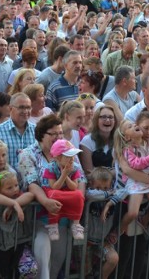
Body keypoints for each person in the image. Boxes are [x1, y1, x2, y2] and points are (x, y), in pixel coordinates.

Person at [18, 114, 85, 279]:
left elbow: (81, 179)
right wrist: (46, 201)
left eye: (61, 133)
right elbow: (31, 183)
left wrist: (78, 202)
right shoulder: (28, 154)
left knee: (56, 264)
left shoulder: (69, 151)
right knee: (43, 267)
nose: (58, 137)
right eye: (53, 134)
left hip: (64, 219)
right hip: (40, 218)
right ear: (41, 134)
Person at [115, 119, 149, 235]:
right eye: (130, 126)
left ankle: (144, 219)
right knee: (133, 212)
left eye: (135, 124)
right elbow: (135, 164)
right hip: (135, 182)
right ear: (127, 137)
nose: (134, 125)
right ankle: (118, 230)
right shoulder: (127, 149)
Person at [41, 139, 86, 240]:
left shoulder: (75, 167)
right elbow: (54, 186)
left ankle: (76, 224)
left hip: (67, 191)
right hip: (55, 190)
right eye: (68, 156)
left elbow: (74, 187)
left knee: (79, 195)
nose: (72, 159)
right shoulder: (50, 167)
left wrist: (66, 176)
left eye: (73, 156)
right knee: (53, 195)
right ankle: (53, 225)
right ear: (58, 157)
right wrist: (64, 174)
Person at [0, 92, 36, 167]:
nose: (25, 111)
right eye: (21, 107)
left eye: (28, 107)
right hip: (7, 177)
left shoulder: (36, 130)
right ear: (11, 108)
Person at [79, 104, 121, 174]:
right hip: (96, 183)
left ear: (115, 121)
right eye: (103, 117)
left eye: (111, 117)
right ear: (96, 120)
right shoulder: (87, 141)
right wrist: (111, 174)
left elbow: (122, 168)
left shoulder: (119, 139)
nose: (107, 120)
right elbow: (88, 172)